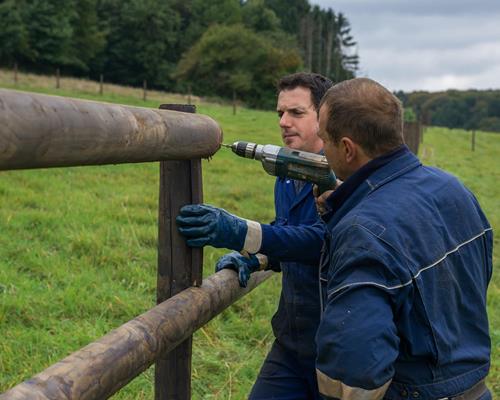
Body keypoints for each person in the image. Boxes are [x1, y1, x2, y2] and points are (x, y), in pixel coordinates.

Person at [314, 77, 493, 399]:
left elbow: (356, 368)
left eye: (323, 139)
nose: (321, 149)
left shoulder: (363, 231)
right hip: (475, 389)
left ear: (346, 148)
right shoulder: (454, 189)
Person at [176, 72, 333, 399]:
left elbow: (320, 242)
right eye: (280, 113)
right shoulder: (287, 175)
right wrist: (256, 258)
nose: (284, 122)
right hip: (292, 341)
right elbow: (287, 233)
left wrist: (240, 232)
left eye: (297, 113)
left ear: (326, 116)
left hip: (336, 349)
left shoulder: (340, 178)